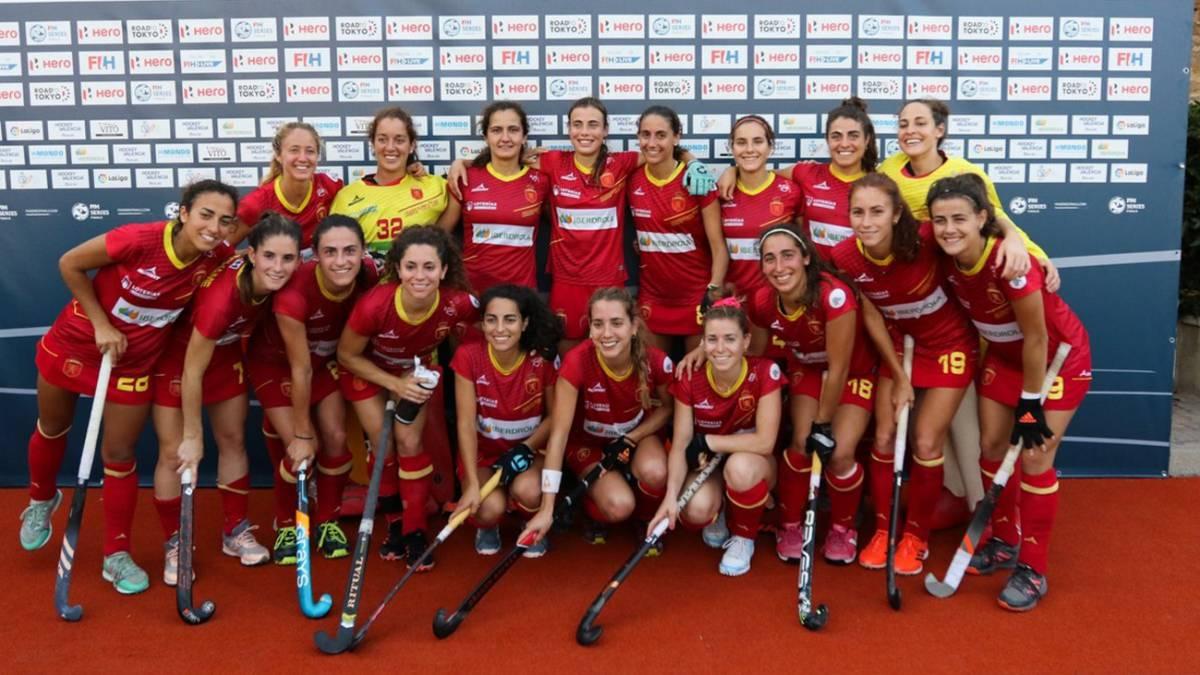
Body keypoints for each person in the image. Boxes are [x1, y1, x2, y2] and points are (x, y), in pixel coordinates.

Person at [21, 180, 238, 595]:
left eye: (224, 220)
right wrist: (103, 324)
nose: (213, 227)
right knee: (53, 426)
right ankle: (40, 500)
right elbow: (69, 263)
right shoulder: (139, 240)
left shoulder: (218, 258)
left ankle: (115, 555)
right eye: (205, 215)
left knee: (119, 455)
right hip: (77, 341)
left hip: (133, 363)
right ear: (184, 212)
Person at [831, 173, 1035, 576]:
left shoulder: (929, 236)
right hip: (897, 347)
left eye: (877, 211)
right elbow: (871, 311)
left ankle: (916, 537)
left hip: (948, 345)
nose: (866, 221)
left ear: (895, 215)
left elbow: (986, 225)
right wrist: (898, 375)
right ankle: (884, 531)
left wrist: (1018, 241)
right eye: (857, 212)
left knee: (925, 442)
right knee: (886, 436)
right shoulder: (845, 255)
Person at [880, 97, 1058, 526]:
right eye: (903, 123)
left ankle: (981, 504)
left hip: (964, 306)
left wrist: (1027, 250)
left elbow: (996, 220)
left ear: (940, 129)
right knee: (922, 419)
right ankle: (946, 496)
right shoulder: (888, 171)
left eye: (920, 122)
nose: (910, 131)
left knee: (969, 414)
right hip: (917, 309)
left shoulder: (966, 174)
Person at [928, 174, 1091, 611]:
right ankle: (1004, 540)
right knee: (991, 446)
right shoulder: (943, 250)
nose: (949, 229)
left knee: (1036, 455)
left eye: (960, 218)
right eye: (940, 220)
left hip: (1055, 359)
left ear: (982, 218)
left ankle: (1033, 569)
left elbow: (1037, 339)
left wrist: (1031, 403)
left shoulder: (1010, 264)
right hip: (1003, 357)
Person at [448, 96, 712, 352]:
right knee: (568, 364)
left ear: (606, 130)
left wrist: (693, 161)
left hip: (609, 281)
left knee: (613, 361)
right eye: (577, 124)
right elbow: (507, 157)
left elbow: (660, 151)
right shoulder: (552, 162)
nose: (585, 132)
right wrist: (462, 163)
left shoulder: (621, 163)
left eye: (593, 124)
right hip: (566, 283)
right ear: (569, 129)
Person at [152, 214, 301, 585]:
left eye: (288, 259)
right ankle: (176, 542)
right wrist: (192, 433)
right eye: (269, 257)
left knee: (233, 440)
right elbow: (191, 371)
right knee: (175, 453)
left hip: (226, 357)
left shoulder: (279, 281)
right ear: (252, 254)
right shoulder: (222, 300)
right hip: (181, 361)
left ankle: (235, 531)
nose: (278, 267)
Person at [337, 226, 478, 571]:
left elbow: (486, 330)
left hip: (415, 372)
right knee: (383, 443)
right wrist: (393, 384)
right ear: (397, 268)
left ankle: (415, 529)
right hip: (367, 370)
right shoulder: (375, 304)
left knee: (410, 442)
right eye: (411, 267)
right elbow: (346, 355)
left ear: (444, 270)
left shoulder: (457, 302)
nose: (420, 276)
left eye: (429, 267)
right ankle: (395, 520)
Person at [244, 215, 377, 563]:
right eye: (330, 251)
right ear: (314, 255)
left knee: (334, 437)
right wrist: (302, 433)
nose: (341, 260)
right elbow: (298, 366)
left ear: (363, 252)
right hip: (278, 364)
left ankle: (327, 519)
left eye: (350, 251)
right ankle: (287, 520)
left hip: (325, 364)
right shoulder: (293, 294)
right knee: (303, 448)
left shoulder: (369, 276)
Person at [748, 226, 877, 565]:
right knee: (802, 445)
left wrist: (823, 422)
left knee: (839, 453)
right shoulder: (762, 300)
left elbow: (839, 367)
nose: (779, 267)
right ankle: (790, 525)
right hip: (806, 371)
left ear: (806, 257)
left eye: (788, 255)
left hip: (851, 375)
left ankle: (842, 529)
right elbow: (758, 356)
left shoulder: (833, 296)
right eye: (769, 259)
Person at [521, 288, 673, 552]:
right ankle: (591, 506)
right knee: (617, 506)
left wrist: (631, 438)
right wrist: (547, 509)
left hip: (636, 437)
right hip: (588, 444)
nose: (607, 333)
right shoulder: (576, 362)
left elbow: (668, 408)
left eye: (617, 323)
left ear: (634, 326)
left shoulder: (654, 360)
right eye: (598, 324)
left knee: (655, 472)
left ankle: (646, 520)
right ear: (589, 328)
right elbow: (558, 436)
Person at [652, 298, 783, 576]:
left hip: (753, 464)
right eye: (712, 339)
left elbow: (765, 442)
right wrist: (671, 497)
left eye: (730, 339)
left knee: (740, 468)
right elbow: (681, 444)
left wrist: (709, 441)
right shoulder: (689, 376)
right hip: (708, 465)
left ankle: (744, 537)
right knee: (696, 510)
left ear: (746, 341)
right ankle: (722, 506)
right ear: (703, 342)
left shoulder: (764, 372)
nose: (720, 348)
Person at [450, 284, 560, 557]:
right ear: (482, 323)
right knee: (486, 509)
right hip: (485, 454)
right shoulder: (468, 356)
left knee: (530, 492)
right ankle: (489, 526)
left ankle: (530, 519)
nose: (499, 329)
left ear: (524, 323)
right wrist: (473, 483)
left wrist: (527, 447)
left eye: (510, 319)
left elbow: (556, 417)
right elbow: (465, 423)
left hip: (529, 451)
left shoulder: (542, 359)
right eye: (491, 320)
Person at [718, 98, 878, 262]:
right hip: (815, 282)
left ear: (867, 140)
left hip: (860, 281)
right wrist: (733, 170)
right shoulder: (806, 173)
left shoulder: (878, 187)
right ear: (827, 140)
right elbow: (762, 172)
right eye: (836, 136)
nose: (844, 144)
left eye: (853, 136)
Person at [628, 105, 728, 353]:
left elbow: (719, 248)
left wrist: (712, 292)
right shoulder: (631, 178)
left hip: (695, 298)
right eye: (645, 134)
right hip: (653, 299)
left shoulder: (697, 180)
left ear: (676, 137)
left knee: (696, 382)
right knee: (654, 380)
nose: (652, 142)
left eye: (661, 135)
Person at [437, 102, 550, 293]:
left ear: (524, 137)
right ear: (486, 137)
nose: (505, 138)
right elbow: (439, 235)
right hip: (472, 292)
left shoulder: (541, 181)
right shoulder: (465, 177)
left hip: (521, 295)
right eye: (497, 130)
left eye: (513, 130)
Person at [331, 106, 455, 257]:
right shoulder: (347, 196)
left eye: (399, 140)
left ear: (412, 145)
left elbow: (471, 188)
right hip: (371, 281)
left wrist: (461, 163)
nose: (390, 147)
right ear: (373, 144)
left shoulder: (435, 186)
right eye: (382, 139)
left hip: (417, 279)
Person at [716, 115, 803, 306]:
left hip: (779, 302)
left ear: (770, 147)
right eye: (741, 142)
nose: (749, 149)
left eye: (758, 141)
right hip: (734, 303)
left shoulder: (792, 191)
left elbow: (805, 248)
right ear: (731, 148)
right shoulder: (720, 193)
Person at [234, 121, 343, 255]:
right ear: (279, 155)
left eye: (310, 151)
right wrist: (262, 255)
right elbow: (221, 251)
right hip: (276, 274)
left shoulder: (330, 187)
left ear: (317, 156)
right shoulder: (257, 202)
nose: (303, 158)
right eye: (294, 150)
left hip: (317, 274)